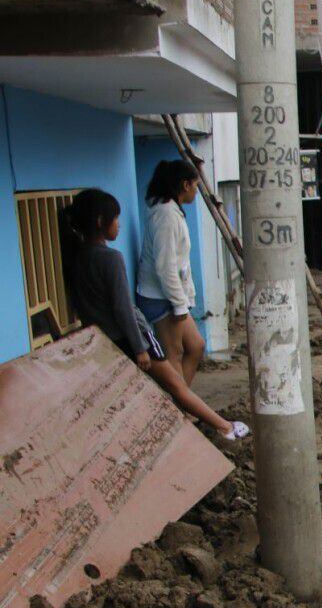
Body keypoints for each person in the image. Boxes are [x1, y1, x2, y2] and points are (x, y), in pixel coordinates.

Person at [66, 189, 248, 440]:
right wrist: (140, 347)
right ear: (100, 221)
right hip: (132, 337)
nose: (119, 226)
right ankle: (224, 427)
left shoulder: (77, 258)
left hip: (105, 342)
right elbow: (122, 307)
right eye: (115, 219)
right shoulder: (111, 258)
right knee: (176, 384)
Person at [136, 158, 205, 386]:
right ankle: (180, 411)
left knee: (196, 346)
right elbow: (165, 267)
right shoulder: (166, 215)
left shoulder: (171, 211)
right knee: (174, 355)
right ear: (185, 185)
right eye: (195, 185)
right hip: (161, 298)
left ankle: (181, 404)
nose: (197, 191)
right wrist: (178, 304)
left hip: (171, 297)